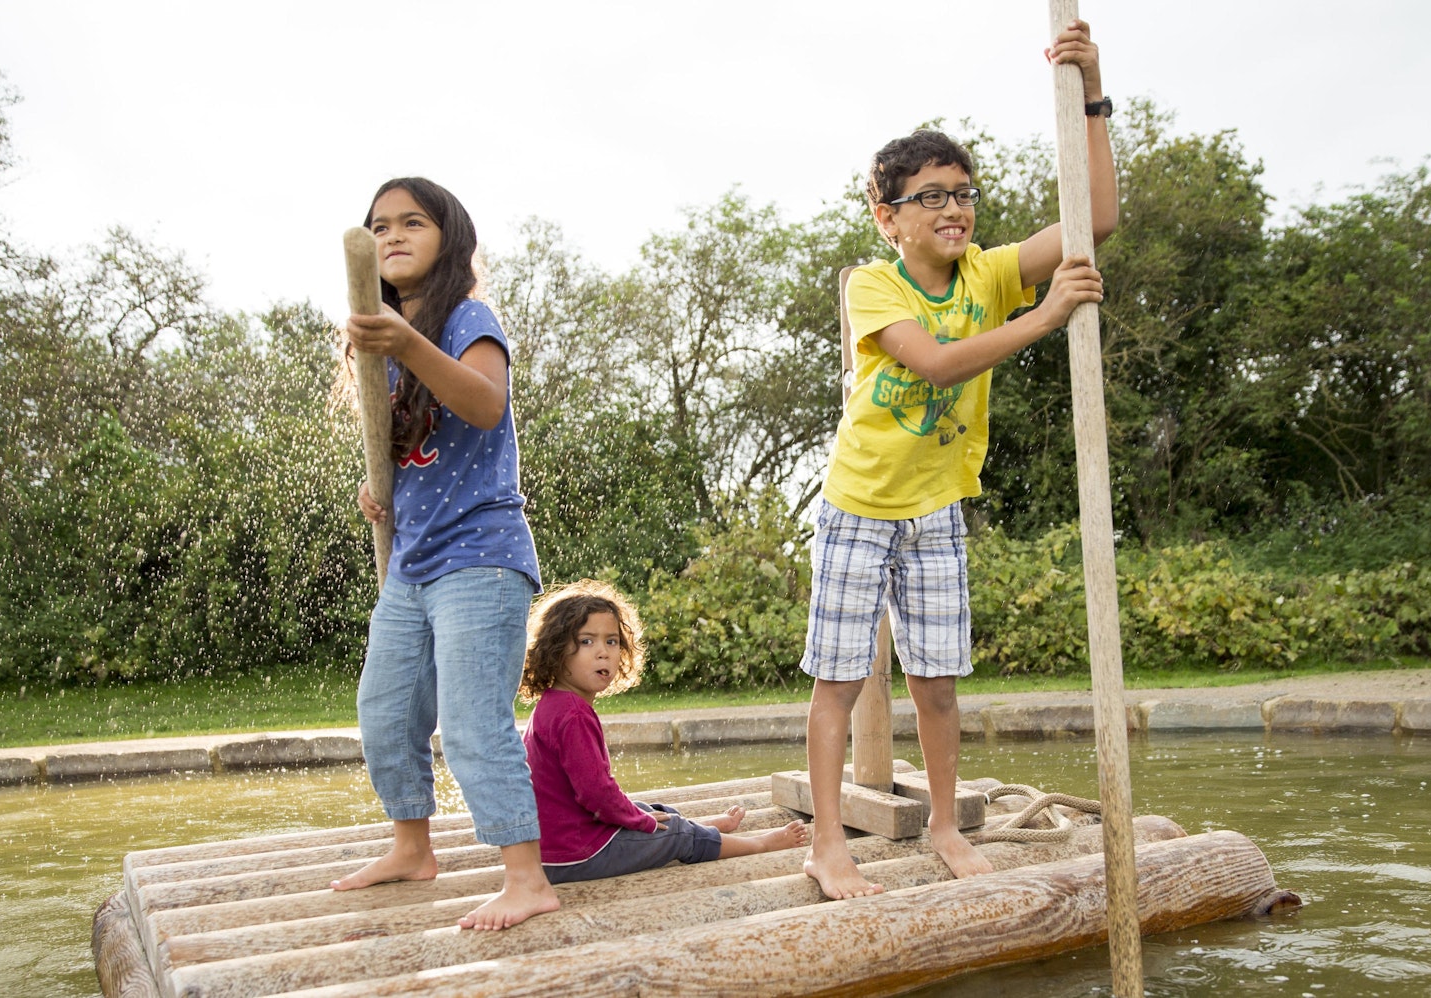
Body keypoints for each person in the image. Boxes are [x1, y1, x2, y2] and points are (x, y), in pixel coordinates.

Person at [799, 20, 1120, 900]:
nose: (954, 210)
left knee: (936, 685)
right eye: (931, 196)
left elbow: (1095, 218)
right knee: (838, 681)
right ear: (888, 217)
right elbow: (937, 363)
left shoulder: (989, 272)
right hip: (859, 503)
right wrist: (1045, 317)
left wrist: (1092, 92)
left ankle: (945, 823)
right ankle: (826, 843)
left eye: (964, 193)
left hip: (936, 507)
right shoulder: (873, 285)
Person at [331, 176, 559, 931]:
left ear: (449, 236)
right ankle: (411, 847)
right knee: (386, 712)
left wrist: (407, 342)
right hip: (412, 562)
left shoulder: (467, 319)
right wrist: (381, 491)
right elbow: (410, 450)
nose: (393, 235)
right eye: (379, 226)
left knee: (471, 722)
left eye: (413, 222)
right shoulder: (386, 344)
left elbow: (484, 405)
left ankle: (526, 878)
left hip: (480, 556)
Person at [522, 579, 810, 883]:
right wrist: (640, 822)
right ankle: (758, 844)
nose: (603, 652)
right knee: (677, 834)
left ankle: (703, 829)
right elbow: (596, 793)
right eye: (586, 641)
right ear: (556, 649)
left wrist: (638, 815)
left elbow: (593, 795)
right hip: (578, 854)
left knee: (646, 809)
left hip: (556, 847)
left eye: (612, 641)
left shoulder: (554, 704)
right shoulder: (573, 715)